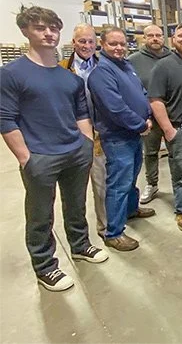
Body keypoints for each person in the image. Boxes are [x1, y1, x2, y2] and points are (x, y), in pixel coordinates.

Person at [0, 6, 108, 292]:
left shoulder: (68, 77)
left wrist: (85, 144)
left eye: (53, 28)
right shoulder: (11, 74)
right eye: (40, 28)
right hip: (40, 156)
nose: (48, 33)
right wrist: (25, 157)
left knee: (76, 205)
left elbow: (81, 113)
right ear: (25, 31)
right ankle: (45, 266)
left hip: (74, 151)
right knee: (40, 213)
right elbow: (5, 118)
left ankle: (80, 245)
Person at [88, 27, 155, 252]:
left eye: (122, 44)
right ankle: (113, 232)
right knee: (118, 183)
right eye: (113, 44)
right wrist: (140, 124)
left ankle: (131, 209)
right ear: (102, 45)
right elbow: (115, 107)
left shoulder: (126, 66)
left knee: (132, 176)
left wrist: (147, 115)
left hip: (133, 134)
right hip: (117, 137)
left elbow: (142, 93)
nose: (118, 48)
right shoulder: (101, 73)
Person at [148, 23, 182, 232]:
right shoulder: (164, 66)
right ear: (173, 40)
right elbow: (155, 100)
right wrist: (169, 130)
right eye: (181, 36)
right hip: (179, 129)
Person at [58, 23, 107, 238]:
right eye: (82, 41)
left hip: (100, 132)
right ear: (73, 43)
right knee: (74, 191)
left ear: (96, 44)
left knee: (102, 183)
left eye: (90, 42)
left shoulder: (103, 66)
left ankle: (106, 228)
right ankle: (78, 238)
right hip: (72, 135)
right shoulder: (61, 68)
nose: (86, 46)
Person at [129, 24, 171, 204]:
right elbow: (131, 88)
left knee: (177, 153)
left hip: (173, 114)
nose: (155, 38)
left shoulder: (173, 57)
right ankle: (152, 183)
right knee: (151, 152)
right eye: (150, 36)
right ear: (144, 38)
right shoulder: (133, 60)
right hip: (149, 116)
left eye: (158, 35)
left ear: (164, 38)